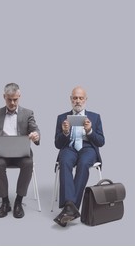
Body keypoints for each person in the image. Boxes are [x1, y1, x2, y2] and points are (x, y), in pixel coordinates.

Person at [0, 83, 40, 219]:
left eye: (15, 99)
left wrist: (36, 136)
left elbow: (35, 130)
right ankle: (5, 202)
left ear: (19, 97)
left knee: (28, 163)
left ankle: (19, 202)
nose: (12, 102)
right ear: (4, 97)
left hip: (21, 153)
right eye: (9, 99)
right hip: (2, 153)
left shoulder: (28, 113)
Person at [53, 86, 105, 227]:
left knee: (83, 164)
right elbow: (57, 144)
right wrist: (64, 133)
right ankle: (71, 208)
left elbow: (101, 141)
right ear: (71, 99)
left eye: (80, 98)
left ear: (85, 100)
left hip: (88, 148)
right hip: (69, 148)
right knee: (64, 162)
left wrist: (90, 131)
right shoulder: (62, 118)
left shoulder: (95, 117)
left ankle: (68, 209)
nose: (77, 101)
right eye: (75, 98)